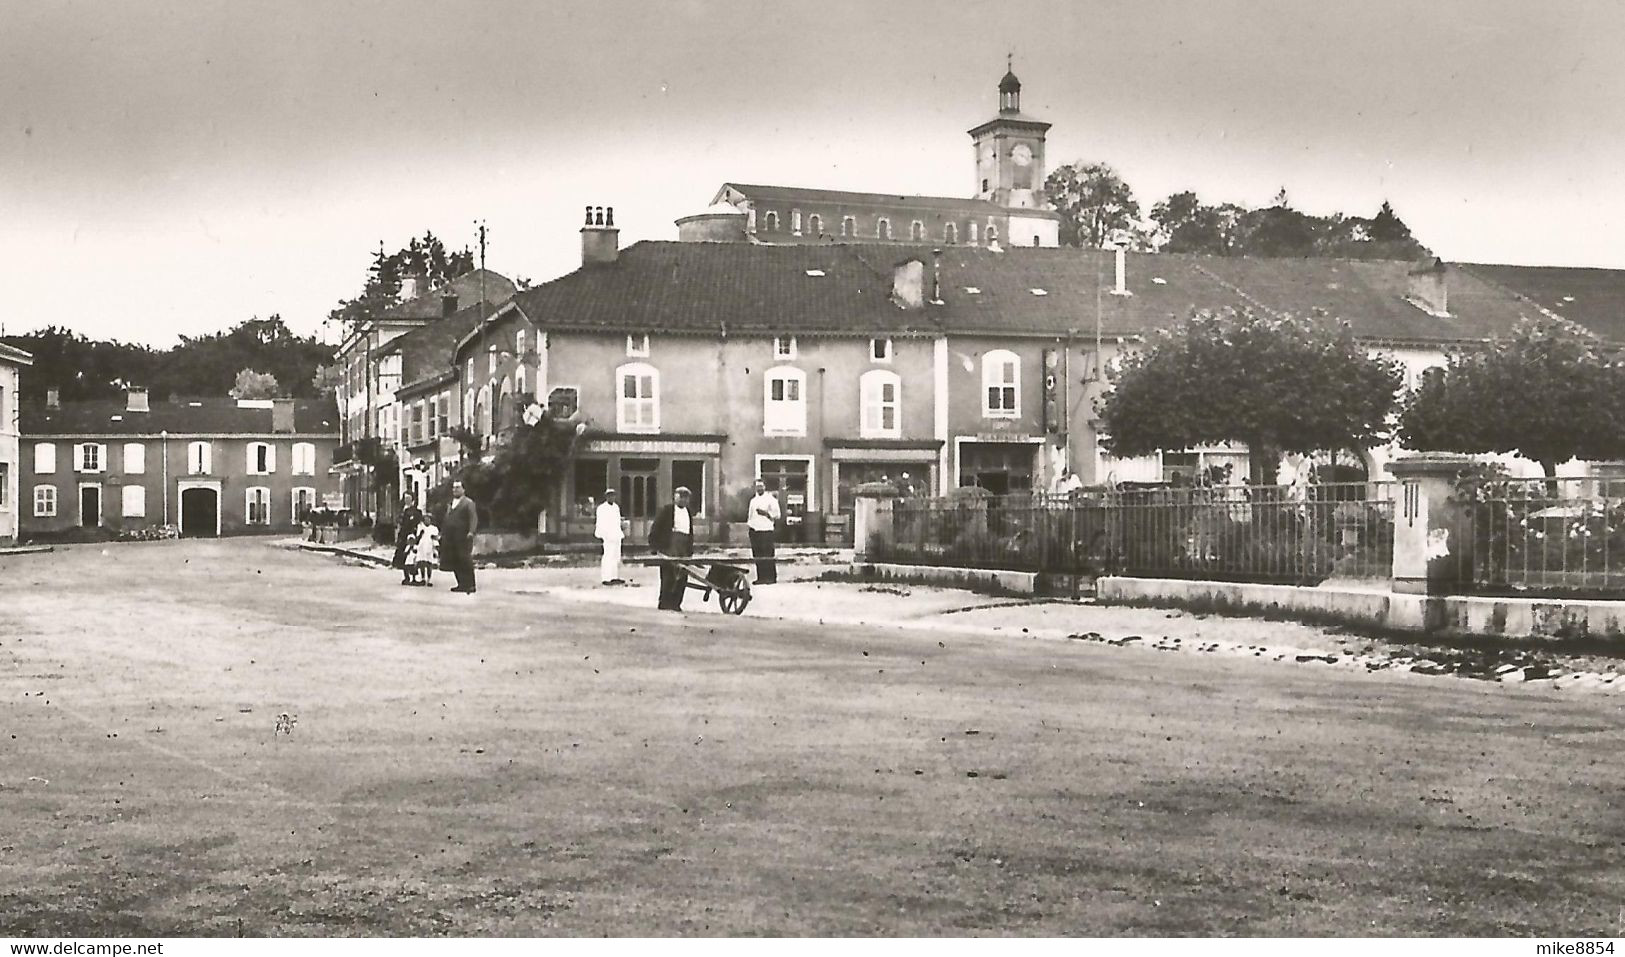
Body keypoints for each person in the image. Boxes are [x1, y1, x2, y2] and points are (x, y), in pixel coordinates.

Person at [648, 486, 695, 611]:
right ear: (675, 497)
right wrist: (654, 546)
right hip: (669, 546)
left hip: (683, 547)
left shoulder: (688, 512)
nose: (683, 500)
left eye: (686, 497)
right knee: (668, 575)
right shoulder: (667, 510)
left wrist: (690, 549)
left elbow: (690, 532)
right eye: (681, 496)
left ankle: (676, 603)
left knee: (683, 575)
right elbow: (656, 527)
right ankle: (664, 602)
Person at [441, 481, 479, 594]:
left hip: (463, 536)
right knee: (455, 560)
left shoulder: (468, 503)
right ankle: (461, 584)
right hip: (451, 536)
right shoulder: (450, 503)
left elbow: (473, 518)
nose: (455, 490)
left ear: (463, 490)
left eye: (457, 488)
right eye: (453, 488)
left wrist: (471, 531)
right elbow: (446, 518)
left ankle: (471, 585)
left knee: (465, 560)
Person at [746, 479, 781, 584]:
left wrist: (766, 513)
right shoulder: (753, 501)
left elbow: (777, 515)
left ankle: (771, 578)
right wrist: (750, 527)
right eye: (757, 486)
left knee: (767, 554)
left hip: (766, 530)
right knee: (758, 555)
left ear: (765, 487)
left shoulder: (771, 500)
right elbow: (750, 516)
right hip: (755, 531)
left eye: (761, 486)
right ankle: (761, 577)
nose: (759, 488)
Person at [594, 488, 627, 585]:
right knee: (608, 556)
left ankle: (614, 576)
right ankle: (606, 578)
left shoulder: (616, 507)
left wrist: (622, 525)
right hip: (608, 535)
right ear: (606, 497)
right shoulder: (602, 508)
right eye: (609, 495)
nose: (612, 497)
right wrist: (604, 534)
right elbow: (600, 523)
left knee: (616, 556)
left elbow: (617, 521)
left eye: (613, 495)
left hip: (616, 534)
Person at [393, 495, 423, 586]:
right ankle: (406, 577)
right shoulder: (401, 511)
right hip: (403, 536)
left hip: (411, 537)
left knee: (413, 557)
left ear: (413, 500)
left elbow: (417, 524)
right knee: (403, 557)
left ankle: (414, 577)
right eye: (406, 499)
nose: (407, 501)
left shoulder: (417, 512)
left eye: (409, 499)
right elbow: (399, 524)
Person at [413, 514, 440, 587]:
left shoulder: (434, 528)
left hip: (429, 547)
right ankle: (422, 578)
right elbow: (417, 538)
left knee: (429, 564)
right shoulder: (420, 527)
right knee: (422, 563)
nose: (427, 521)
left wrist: (436, 547)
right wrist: (420, 534)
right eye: (425, 519)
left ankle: (429, 580)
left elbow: (436, 538)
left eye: (428, 519)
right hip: (422, 547)